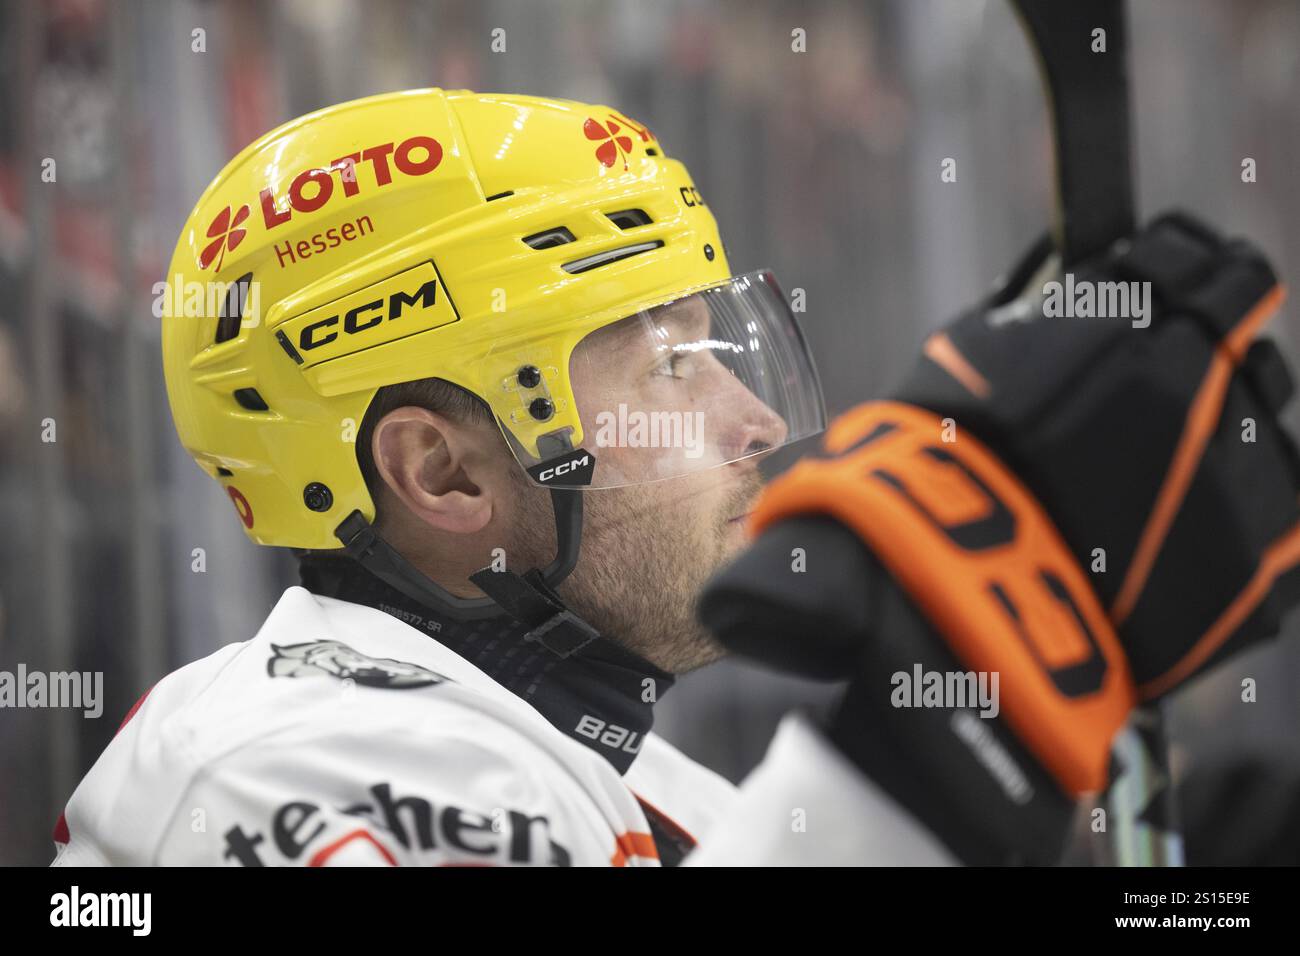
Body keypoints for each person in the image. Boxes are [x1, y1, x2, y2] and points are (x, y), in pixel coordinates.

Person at [52, 90, 1300, 866]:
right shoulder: (284, 772)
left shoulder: (630, 771)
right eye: (670, 368)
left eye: (727, 349)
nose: (756, 418)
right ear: (440, 471)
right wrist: (940, 755)